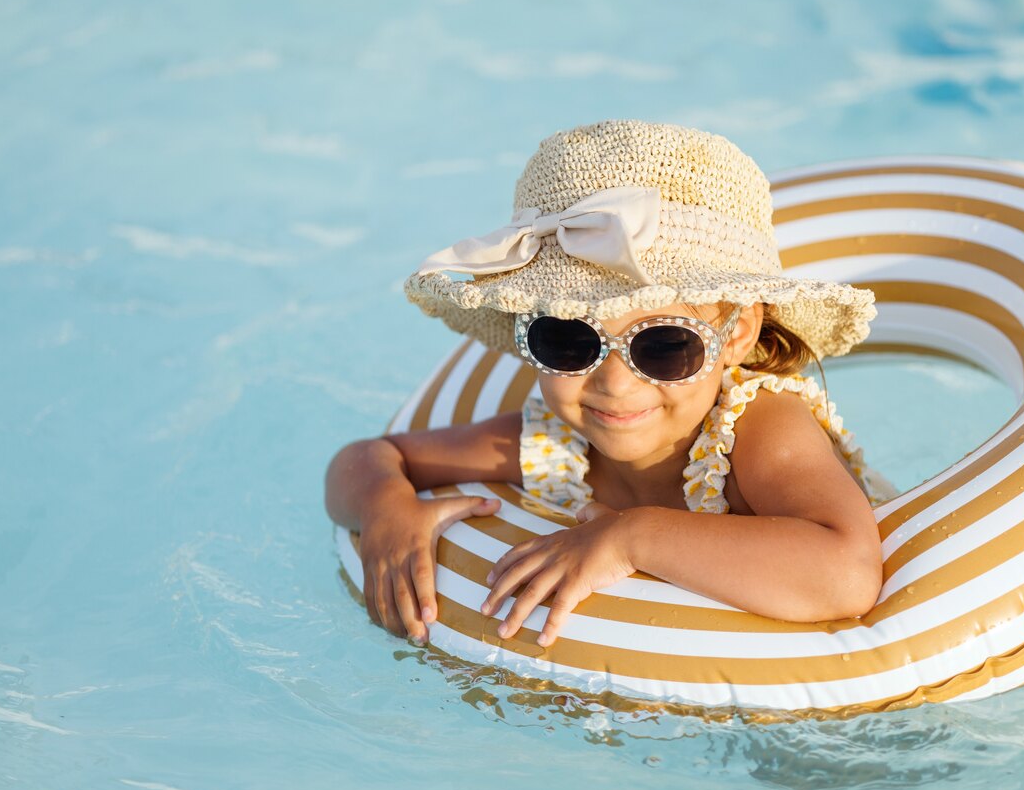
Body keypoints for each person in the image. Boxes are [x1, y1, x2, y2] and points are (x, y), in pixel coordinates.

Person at [325, 120, 898, 649]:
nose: (614, 384)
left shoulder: (758, 428)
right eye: (568, 340)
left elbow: (845, 577)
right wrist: (383, 508)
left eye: (665, 345)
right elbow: (372, 456)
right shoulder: (553, 444)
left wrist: (633, 538)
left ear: (737, 335)